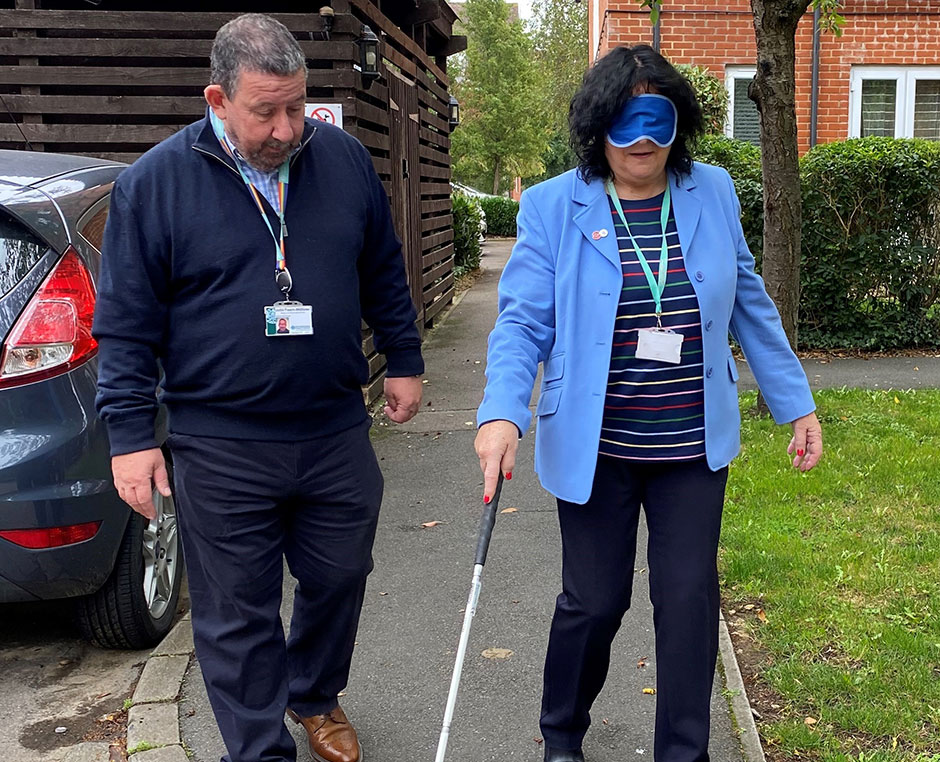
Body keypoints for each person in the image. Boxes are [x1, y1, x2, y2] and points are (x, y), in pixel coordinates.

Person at [474, 45, 824, 762]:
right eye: (626, 122)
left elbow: (749, 301)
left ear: (680, 125)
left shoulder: (713, 192)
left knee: (689, 602)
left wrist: (795, 402)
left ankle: (684, 753)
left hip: (691, 447)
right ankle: (562, 731)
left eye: (657, 121)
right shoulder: (552, 206)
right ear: (597, 127)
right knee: (595, 604)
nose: (642, 139)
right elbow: (521, 322)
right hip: (596, 446)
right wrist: (501, 413)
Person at [93, 14, 423, 762]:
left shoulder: (340, 160)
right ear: (217, 97)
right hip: (220, 442)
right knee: (235, 611)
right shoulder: (155, 185)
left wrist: (403, 355)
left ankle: (314, 693)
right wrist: (132, 439)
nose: (285, 128)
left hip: (334, 428)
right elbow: (126, 326)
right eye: (264, 110)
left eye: (296, 106)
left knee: (341, 575)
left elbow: (381, 268)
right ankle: (256, 747)